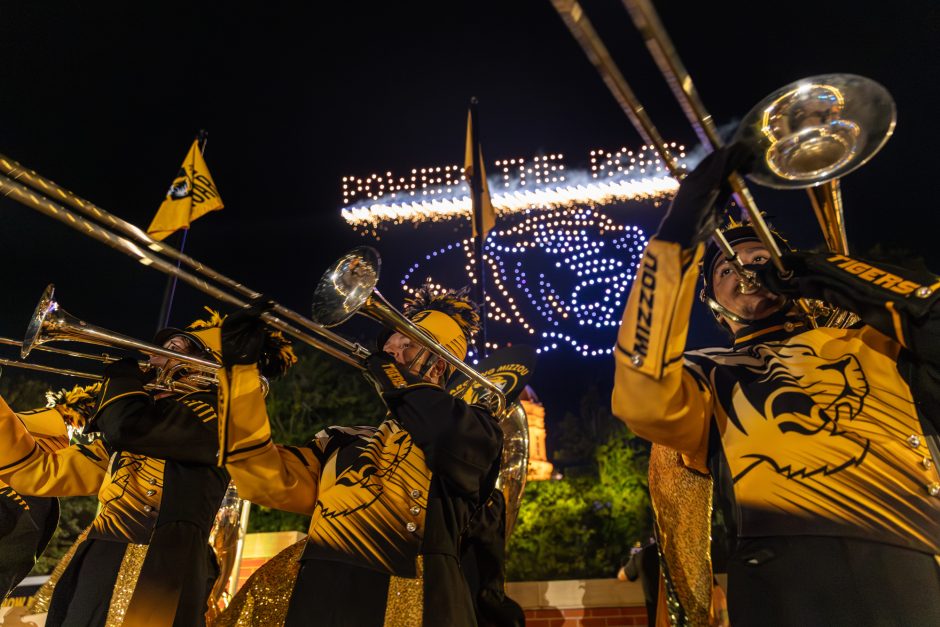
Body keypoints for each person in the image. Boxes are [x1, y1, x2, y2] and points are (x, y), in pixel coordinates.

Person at [612, 145, 940, 626]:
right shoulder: (706, 371)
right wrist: (677, 237)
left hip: (907, 573)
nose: (746, 271)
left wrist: (824, 274)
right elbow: (639, 398)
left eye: (762, 258)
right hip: (781, 589)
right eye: (727, 268)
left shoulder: (869, 342)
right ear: (712, 302)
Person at [216, 284, 502, 626]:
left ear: (439, 365)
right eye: (388, 345)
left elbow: (442, 433)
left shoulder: (478, 429)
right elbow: (258, 477)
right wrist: (240, 372)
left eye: (406, 345)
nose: (389, 352)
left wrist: (397, 381)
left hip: (414, 607)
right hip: (319, 602)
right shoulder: (343, 440)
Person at [0, 310, 293, 626]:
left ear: (211, 363)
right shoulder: (143, 429)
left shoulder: (224, 416)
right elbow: (37, 473)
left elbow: (128, 426)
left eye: (175, 349)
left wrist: (121, 376)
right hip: (98, 561)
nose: (153, 358)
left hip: (161, 565)